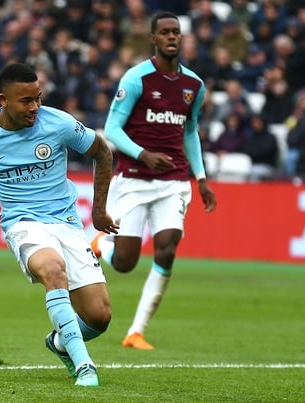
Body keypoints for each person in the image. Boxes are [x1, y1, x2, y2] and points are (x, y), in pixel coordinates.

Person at [0, 63, 119, 387]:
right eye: (25, 101)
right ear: (3, 99)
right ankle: (85, 367)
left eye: (38, 98)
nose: (34, 107)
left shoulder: (59, 123)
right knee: (53, 269)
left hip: (66, 223)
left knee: (99, 316)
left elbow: (102, 153)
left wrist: (99, 210)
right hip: (23, 223)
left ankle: (59, 342)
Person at [90, 12, 217, 351]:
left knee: (167, 248)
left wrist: (200, 177)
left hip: (174, 181)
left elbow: (189, 131)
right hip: (133, 178)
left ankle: (136, 331)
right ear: (154, 39)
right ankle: (102, 245)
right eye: (165, 32)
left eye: (176, 32)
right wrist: (143, 154)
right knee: (125, 263)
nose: (171, 37)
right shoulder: (136, 79)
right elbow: (112, 129)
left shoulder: (194, 86)